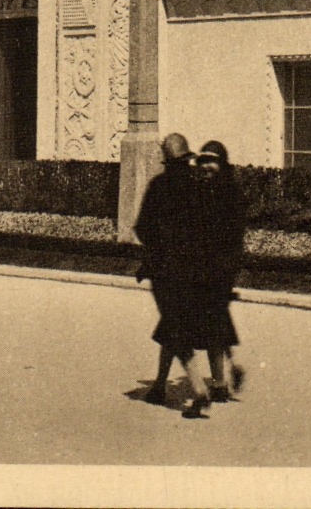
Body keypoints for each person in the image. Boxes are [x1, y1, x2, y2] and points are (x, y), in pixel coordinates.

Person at [134, 133, 218, 418]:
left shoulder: (158, 187)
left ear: (167, 160)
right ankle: (158, 387)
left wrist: (155, 252)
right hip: (197, 269)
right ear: (187, 158)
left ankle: (198, 389)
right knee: (173, 324)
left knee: (175, 324)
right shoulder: (199, 186)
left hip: (166, 270)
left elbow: (142, 228)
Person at [196, 140, 247, 403]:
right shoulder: (199, 192)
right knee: (216, 322)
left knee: (212, 324)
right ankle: (229, 368)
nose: (206, 167)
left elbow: (234, 236)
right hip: (203, 268)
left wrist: (227, 268)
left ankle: (219, 382)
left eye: (211, 161)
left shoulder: (230, 193)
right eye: (202, 162)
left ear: (222, 164)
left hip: (218, 269)